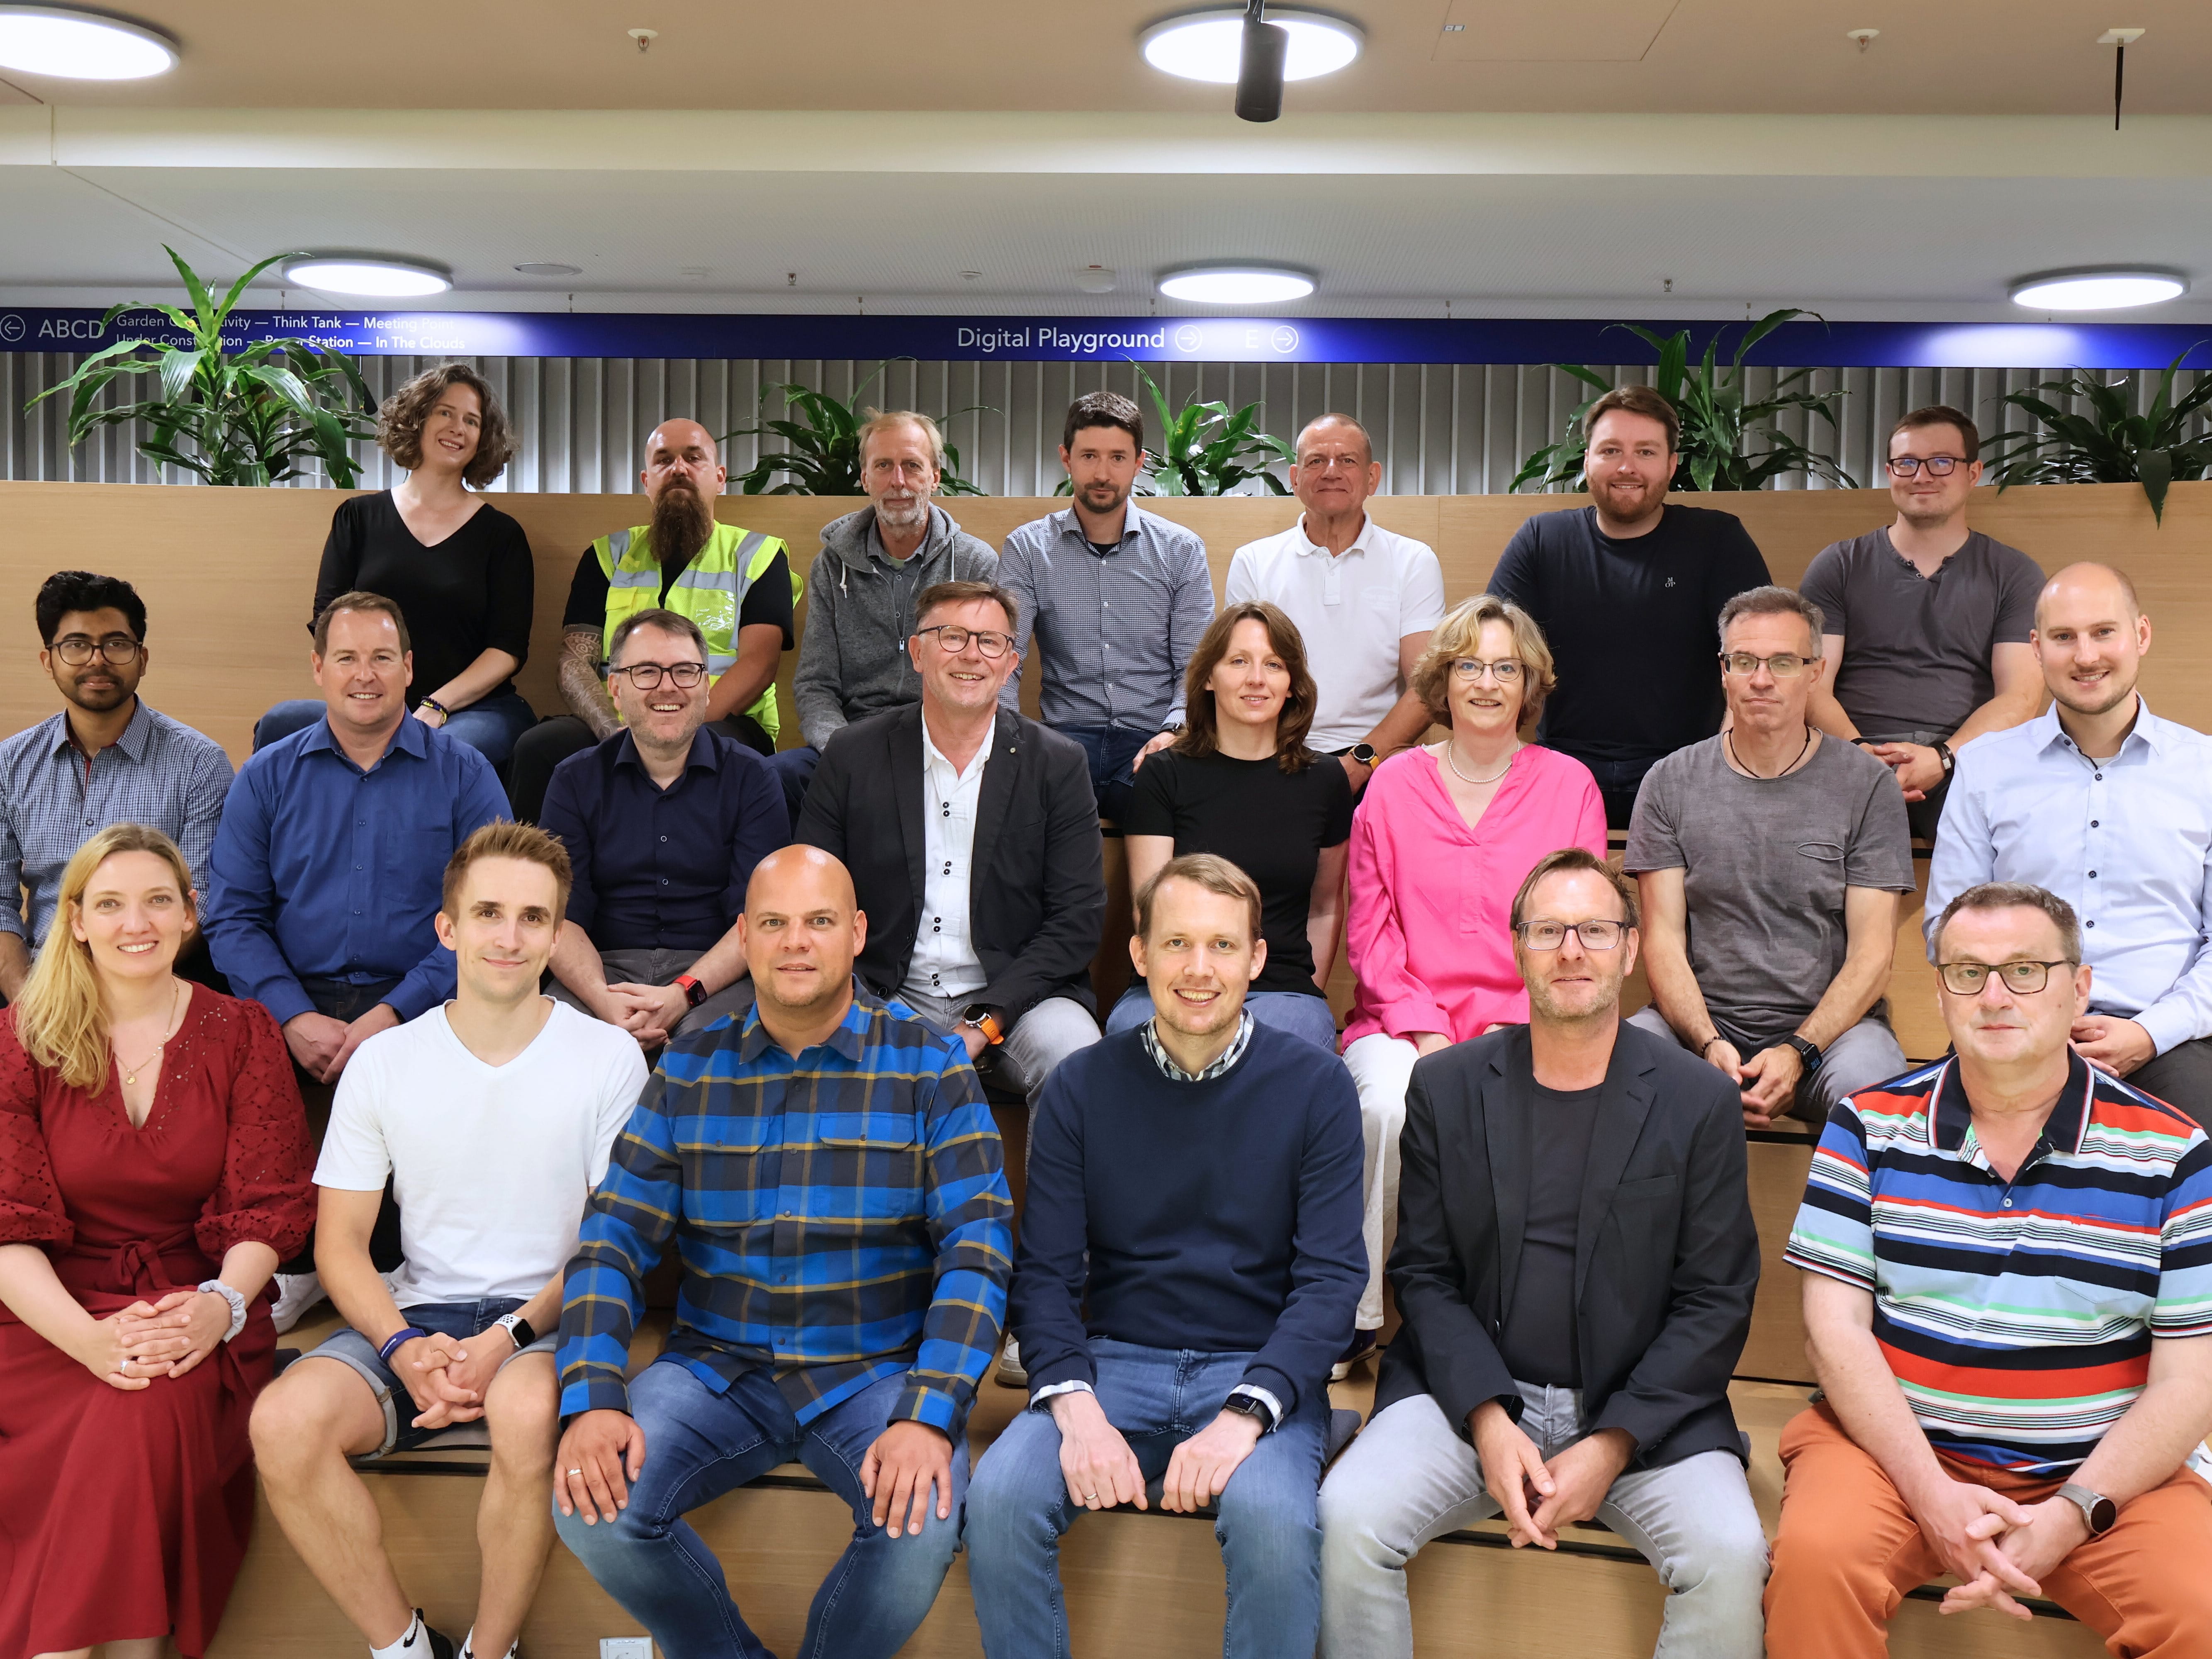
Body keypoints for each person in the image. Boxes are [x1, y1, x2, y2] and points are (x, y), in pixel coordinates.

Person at [551, 844, 1014, 1659]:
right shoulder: (691, 1066)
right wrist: (591, 1394)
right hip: (717, 1371)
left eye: (818, 921)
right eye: (773, 923)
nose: (795, 941)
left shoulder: (931, 1066)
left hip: (872, 1369)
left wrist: (931, 1411)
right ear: (744, 936)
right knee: (591, 1501)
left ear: (857, 932)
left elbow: (976, 1251)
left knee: (923, 1517)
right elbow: (613, 1240)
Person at [1318, 847, 1766, 1659]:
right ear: (1515, 946)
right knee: (1346, 1518)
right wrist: (1488, 1420)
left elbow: (1716, 1297)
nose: (1570, 949)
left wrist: (1613, 1441)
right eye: (1548, 930)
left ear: (1630, 949)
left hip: (1643, 1410)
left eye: (1593, 929)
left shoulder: (1696, 1097)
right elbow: (1421, 1272)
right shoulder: (1445, 1085)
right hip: (1467, 1399)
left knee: (1731, 1555)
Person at [1768, 881, 2212, 1655]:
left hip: (2096, 1467)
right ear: (1939, 992)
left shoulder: (2175, 1152)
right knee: (1813, 1564)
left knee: (2200, 1609)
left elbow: (2191, 1382)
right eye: (1967, 972)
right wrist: (1931, 1496)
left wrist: (2070, 1514)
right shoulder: (1863, 1126)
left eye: (2026, 971)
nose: (1995, 995)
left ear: (2078, 988)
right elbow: (1830, 1335)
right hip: (1893, 1455)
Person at [251, 822, 646, 1659]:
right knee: (283, 1420)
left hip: (550, 1315)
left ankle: (488, 1649)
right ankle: (403, 1647)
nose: (509, 937)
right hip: (417, 1312)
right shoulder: (385, 1059)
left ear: (556, 933)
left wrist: (503, 1339)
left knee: (528, 1405)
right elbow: (341, 1245)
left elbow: (609, 1244)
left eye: (533, 918)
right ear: (448, 926)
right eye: (489, 912)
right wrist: (399, 1345)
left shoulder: (608, 1056)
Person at [963, 854, 1366, 1659]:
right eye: (1176, 942)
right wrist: (1076, 1415)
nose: (1197, 968)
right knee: (999, 1498)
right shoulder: (1079, 1085)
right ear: (1139, 952)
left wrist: (1244, 1415)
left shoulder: (1317, 1086)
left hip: (1254, 1365)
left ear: (1255, 959)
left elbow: (1330, 1283)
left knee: (1274, 1524)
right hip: (1113, 1363)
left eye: (1221, 945)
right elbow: (1042, 1275)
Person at [0, 824, 313, 1659]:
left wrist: (221, 1303)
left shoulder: (245, 1032)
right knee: (120, 1407)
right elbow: (5, 1229)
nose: (134, 921)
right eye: (109, 902)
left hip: (193, 1305)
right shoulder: (18, 1039)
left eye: (157, 900)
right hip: (44, 1317)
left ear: (189, 916)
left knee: (145, 1407)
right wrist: (89, 1339)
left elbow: (267, 1208)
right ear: (73, 920)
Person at [204, 591, 509, 1326]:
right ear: (318, 668)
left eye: (381, 658)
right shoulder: (267, 776)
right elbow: (233, 916)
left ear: (409, 669)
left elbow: (492, 915)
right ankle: (293, 1263)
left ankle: (412, 1265)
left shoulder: (464, 774)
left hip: (428, 995)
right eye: (346, 658)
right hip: (293, 994)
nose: (363, 675)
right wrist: (292, 1015)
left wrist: (392, 1012)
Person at [1339, 594, 1608, 1364]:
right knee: (1390, 1106)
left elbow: (1576, 926)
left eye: (1505, 668)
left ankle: (1508, 1328)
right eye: (1468, 666)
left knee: (1520, 1108)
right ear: (1442, 682)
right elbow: (1370, 927)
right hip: (1401, 1020)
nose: (1486, 683)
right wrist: (1423, 1029)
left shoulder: (1568, 786)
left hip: (1526, 1021)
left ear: (1529, 685)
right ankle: (1359, 1316)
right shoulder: (1390, 786)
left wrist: (1516, 1023)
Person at [795, 579, 1103, 1114]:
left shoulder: (1058, 764)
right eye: (951, 636)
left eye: (990, 642)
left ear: (1011, 665)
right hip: (884, 993)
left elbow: (1075, 921)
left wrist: (985, 1023)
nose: (971, 655)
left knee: (1076, 1059)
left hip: (1019, 999)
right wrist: (872, 1008)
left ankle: (1054, 1204)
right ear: (917, 652)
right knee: (818, 1045)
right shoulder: (851, 755)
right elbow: (811, 899)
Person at [1927, 562, 2212, 1126]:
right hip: (2011, 1025)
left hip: (2167, 1040)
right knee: (1917, 1144)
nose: (2085, 656)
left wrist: (2149, 1034)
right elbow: (1946, 926)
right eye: (2063, 637)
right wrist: (2025, 1010)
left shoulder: (2205, 770)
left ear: (2142, 636)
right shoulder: (1985, 768)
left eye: (2103, 632)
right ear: (2036, 649)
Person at [1626, 585, 1915, 1129]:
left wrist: (1799, 1051)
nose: (1761, 679)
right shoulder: (1669, 783)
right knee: (1622, 1066)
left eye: (1783, 661)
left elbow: (1873, 953)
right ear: (1723, 670)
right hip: (1699, 1032)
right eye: (1744, 661)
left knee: (1875, 1092)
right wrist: (1708, 1043)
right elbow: (1662, 939)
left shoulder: (1867, 786)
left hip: (1833, 1038)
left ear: (1814, 671)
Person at [1488, 385, 1772, 827]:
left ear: (1671, 464)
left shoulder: (1717, 540)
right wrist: (1510, 761)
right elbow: (1492, 652)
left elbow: (1759, 658)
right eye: (1610, 450)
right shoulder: (1542, 540)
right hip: (1562, 771)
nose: (1626, 467)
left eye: (1645, 451)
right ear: (1587, 461)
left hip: (1688, 770)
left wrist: (1724, 772)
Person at [507, 418, 797, 823]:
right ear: (647, 480)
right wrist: (615, 731)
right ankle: (531, 882)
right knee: (539, 746)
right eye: (664, 460)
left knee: (708, 749)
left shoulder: (758, 555)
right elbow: (574, 660)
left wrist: (674, 726)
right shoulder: (607, 556)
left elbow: (759, 664)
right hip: (619, 719)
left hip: (722, 720)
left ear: (719, 478)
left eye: (693, 458)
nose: (678, 468)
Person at [255, 365, 538, 766]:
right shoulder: (357, 518)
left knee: (445, 753)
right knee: (280, 724)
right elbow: (328, 619)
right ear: (417, 418)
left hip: (471, 710)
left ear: (483, 438)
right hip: (369, 699)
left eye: (471, 420)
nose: (458, 427)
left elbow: (507, 648)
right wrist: (369, 695)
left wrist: (436, 705)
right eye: (445, 412)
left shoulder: (501, 534)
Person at [540, 608, 787, 1049]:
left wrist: (682, 993)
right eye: (647, 672)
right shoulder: (573, 781)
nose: (667, 687)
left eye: (685, 671)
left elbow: (759, 920)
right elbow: (560, 918)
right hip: (601, 973)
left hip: (715, 977)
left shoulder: (753, 778)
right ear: (615, 689)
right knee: (562, 1048)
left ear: (706, 687)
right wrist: (603, 1002)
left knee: (712, 1056)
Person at [1113, 600, 1350, 1051]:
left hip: (1281, 988)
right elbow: (1150, 912)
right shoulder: (1163, 775)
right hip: (1172, 984)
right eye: (1238, 661)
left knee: (1283, 1048)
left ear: (1292, 684)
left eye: (1274, 664)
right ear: (1207, 677)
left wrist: (1304, 993)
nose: (1256, 679)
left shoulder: (1324, 780)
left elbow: (1324, 908)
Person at [1800, 405, 2045, 838]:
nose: (1921, 476)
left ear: (1973, 473)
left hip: (1966, 760)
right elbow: (1810, 684)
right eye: (1907, 463)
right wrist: (1862, 756)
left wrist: (1943, 758)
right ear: (1889, 471)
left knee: (2021, 839)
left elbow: (2021, 695)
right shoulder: (1837, 565)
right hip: (1851, 754)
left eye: (1941, 462)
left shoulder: (2013, 573)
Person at [1, 570, 231, 1003]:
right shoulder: (9, 764)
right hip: (39, 988)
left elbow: (199, 908)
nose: (97, 660)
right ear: (48, 661)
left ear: (142, 658)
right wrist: (27, 1004)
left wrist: (112, 1001)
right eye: (76, 645)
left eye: (116, 644)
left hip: (154, 981)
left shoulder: (200, 764)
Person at [775, 411, 1000, 827]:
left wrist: (940, 750)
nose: (898, 481)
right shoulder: (831, 566)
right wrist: (844, 751)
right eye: (883, 466)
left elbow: (984, 678)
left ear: (934, 476)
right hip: (849, 741)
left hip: (941, 744)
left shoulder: (973, 562)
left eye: (912, 465)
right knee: (777, 779)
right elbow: (815, 683)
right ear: (865, 478)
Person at [997, 390, 1214, 822]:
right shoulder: (1027, 548)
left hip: (1150, 736)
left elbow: (1195, 668)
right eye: (1089, 456)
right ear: (1066, 458)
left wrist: (1174, 732)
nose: (1102, 473)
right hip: (1063, 739)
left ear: (1138, 462)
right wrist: (1008, 741)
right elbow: (1005, 659)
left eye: (1117, 458)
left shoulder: (1181, 551)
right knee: (1018, 806)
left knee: (1169, 795)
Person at [1221, 414, 1445, 800]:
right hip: (1274, 755)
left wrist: (1359, 764)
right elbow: (1240, 679)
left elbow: (1425, 690)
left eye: (1347, 461)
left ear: (1372, 477)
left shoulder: (1413, 561)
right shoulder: (1253, 562)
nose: (1330, 472)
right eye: (1315, 461)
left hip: (1379, 760)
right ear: (1294, 478)